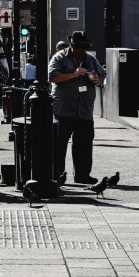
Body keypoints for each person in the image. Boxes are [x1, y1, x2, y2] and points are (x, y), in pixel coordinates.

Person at [48, 31, 106, 184]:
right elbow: (52, 76)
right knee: (59, 145)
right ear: (72, 46)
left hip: (85, 109)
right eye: (80, 48)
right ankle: (57, 174)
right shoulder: (59, 58)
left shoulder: (90, 60)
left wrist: (97, 80)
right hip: (63, 109)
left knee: (84, 145)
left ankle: (82, 175)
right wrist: (73, 74)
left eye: (85, 48)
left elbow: (102, 78)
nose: (83, 51)